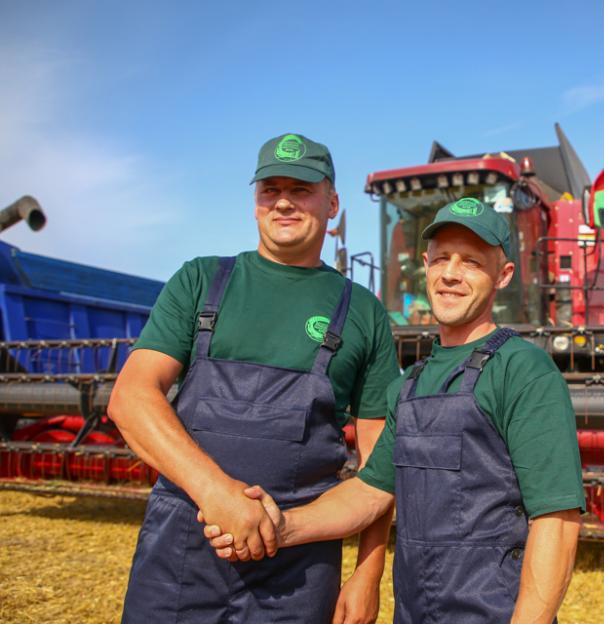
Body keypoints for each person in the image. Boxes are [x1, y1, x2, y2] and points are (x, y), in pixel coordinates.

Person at [205, 196, 585, 623]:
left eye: (472, 262)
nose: (451, 275)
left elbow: (557, 518)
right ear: (425, 265)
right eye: (441, 259)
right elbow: (370, 493)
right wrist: (281, 526)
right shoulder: (409, 385)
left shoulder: (523, 370)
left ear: (504, 274)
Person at [109, 133, 401, 624]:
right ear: (255, 202)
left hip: (299, 568)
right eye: (270, 189)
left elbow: (379, 463)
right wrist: (217, 494)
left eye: (301, 188)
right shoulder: (200, 281)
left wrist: (367, 574)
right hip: (183, 551)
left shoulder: (363, 313)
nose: (284, 200)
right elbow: (131, 398)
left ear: (332, 203)